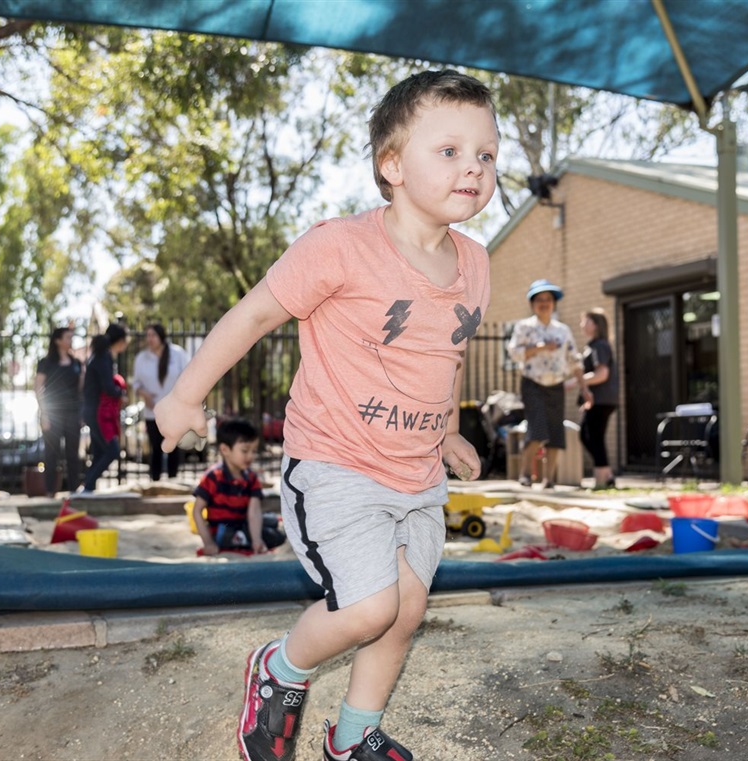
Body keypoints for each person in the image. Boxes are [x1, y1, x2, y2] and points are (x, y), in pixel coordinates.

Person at [155, 69, 497, 761]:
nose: (474, 168)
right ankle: (279, 669)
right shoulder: (340, 245)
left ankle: (352, 735)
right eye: (451, 150)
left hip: (417, 474)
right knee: (368, 607)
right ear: (392, 164)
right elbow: (254, 313)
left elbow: (442, 354)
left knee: (403, 612)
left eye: (487, 155)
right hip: (338, 463)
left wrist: (450, 428)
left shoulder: (477, 263)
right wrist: (185, 395)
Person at [506, 279, 585, 488]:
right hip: (532, 383)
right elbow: (514, 353)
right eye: (539, 299)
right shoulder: (524, 327)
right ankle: (525, 474)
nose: (544, 303)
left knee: (555, 433)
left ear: (553, 303)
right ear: (532, 303)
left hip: (556, 385)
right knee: (537, 429)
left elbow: (574, 359)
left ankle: (549, 479)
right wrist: (539, 347)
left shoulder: (563, 330)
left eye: (548, 299)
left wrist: (584, 387)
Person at [190, 417, 285, 556]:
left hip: (243, 522)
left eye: (253, 451)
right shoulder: (213, 477)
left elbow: (254, 512)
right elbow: (197, 511)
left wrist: (257, 540)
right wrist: (208, 543)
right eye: (245, 451)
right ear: (225, 449)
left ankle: (253, 536)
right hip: (224, 530)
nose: (250, 456)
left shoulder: (251, 478)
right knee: (275, 536)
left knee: (271, 520)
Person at [132, 322, 190, 482]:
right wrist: (144, 394)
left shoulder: (177, 354)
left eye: (153, 335)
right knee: (155, 449)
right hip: (153, 412)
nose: (149, 339)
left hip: (174, 410)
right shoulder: (141, 358)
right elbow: (136, 384)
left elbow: (188, 377)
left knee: (173, 448)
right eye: (147, 335)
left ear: (161, 336)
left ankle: (173, 482)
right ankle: (155, 483)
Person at [34, 326, 84, 496]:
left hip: (72, 413)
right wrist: (44, 413)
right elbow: (38, 388)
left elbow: (81, 389)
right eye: (68, 337)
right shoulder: (45, 363)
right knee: (51, 453)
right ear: (57, 340)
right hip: (53, 413)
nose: (71, 341)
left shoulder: (76, 363)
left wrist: (81, 413)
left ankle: (73, 490)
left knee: (73, 452)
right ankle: (50, 490)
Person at [79, 323, 129, 493]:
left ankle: (88, 486)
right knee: (112, 451)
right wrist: (120, 392)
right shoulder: (103, 358)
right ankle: (87, 486)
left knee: (100, 451)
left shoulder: (99, 356)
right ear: (120, 340)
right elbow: (107, 386)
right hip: (98, 413)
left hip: (92, 411)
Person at [578, 308, 619, 489]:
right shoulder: (594, 345)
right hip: (600, 399)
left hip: (601, 399)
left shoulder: (599, 345)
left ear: (595, 324)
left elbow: (602, 374)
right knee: (590, 436)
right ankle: (606, 476)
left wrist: (575, 382)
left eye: (585, 321)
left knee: (592, 437)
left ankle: (602, 479)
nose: (582, 325)